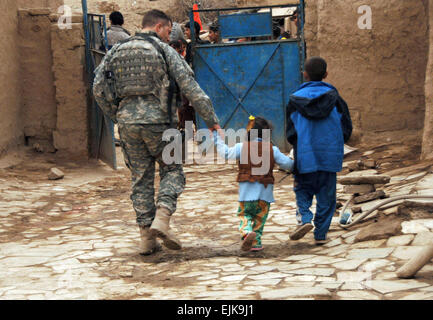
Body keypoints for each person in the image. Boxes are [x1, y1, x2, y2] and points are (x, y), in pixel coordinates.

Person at [93, 9, 221, 255]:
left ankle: (146, 240)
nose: (167, 35)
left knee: (140, 178)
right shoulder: (164, 51)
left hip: (128, 126)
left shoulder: (116, 51)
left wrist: (117, 115)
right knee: (172, 170)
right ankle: (162, 219)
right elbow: (189, 86)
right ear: (161, 27)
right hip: (161, 123)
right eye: (167, 30)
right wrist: (211, 120)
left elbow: (98, 88)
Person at [286, 57, 352, 245]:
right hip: (329, 157)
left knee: (302, 190)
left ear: (304, 74)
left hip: (305, 156)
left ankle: (305, 219)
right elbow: (346, 128)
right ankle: (321, 234)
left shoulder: (294, 100)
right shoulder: (336, 99)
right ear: (326, 75)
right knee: (326, 196)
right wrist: (336, 143)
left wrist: (300, 146)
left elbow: (290, 133)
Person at [214, 116, 294, 252]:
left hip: (247, 192)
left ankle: (246, 232)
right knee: (259, 219)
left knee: (244, 215)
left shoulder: (241, 147)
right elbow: (288, 164)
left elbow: (225, 153)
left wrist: (216, 136)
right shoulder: (272, 149)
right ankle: (256, 242)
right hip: (265, 193)